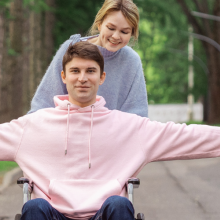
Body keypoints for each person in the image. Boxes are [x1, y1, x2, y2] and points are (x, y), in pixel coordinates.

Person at [1, 41, 220, 220]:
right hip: (52, 213)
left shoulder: (129, 126)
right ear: (63, 77)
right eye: (75, 71)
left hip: (105, 213)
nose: (83, 78)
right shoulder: (32, 126)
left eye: (91, 71)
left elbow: (184, 135)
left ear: (102, 77)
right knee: (34, 207)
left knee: (119, 204)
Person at [28, 0, 148, 117]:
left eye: (124, 32)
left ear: (132, 33)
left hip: (110, 135)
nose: (116, 36)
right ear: (99, 24)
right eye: (111, 28)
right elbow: (43, 103)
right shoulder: (70, 49)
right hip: (68, 131)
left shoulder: (132, 61)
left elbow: (137, 114)